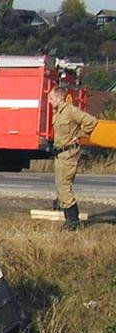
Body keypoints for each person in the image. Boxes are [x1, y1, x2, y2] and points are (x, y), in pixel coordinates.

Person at [48, 86, 98, 231]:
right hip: (60, 154)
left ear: (59, 98)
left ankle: (73, 220)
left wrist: (79, 136)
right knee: (60, 186)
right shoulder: (58, 112)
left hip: (68, 154)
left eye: (51, 98)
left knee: (64, 186)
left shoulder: (70, 111)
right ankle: (68, 217)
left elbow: (91, 121)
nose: (50, 101)